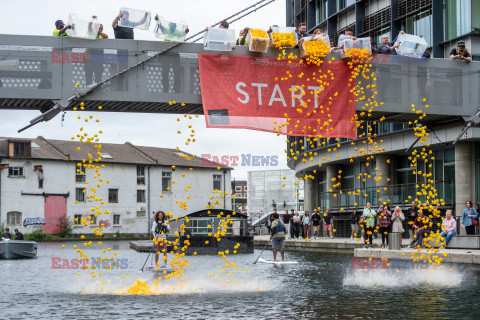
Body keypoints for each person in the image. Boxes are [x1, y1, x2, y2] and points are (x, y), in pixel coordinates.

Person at [85, 19, 108, 86]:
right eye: (99, 28)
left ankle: (98, 91)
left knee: (98, 75)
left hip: (98, 58)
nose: (101, 30)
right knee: (89, 75)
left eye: (101, 29)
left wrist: (99, 32)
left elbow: (106, 36)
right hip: (89, 57)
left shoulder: (101, 35)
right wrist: (92, 20)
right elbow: (89, 27)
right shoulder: (91, 33)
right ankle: (88, 90)